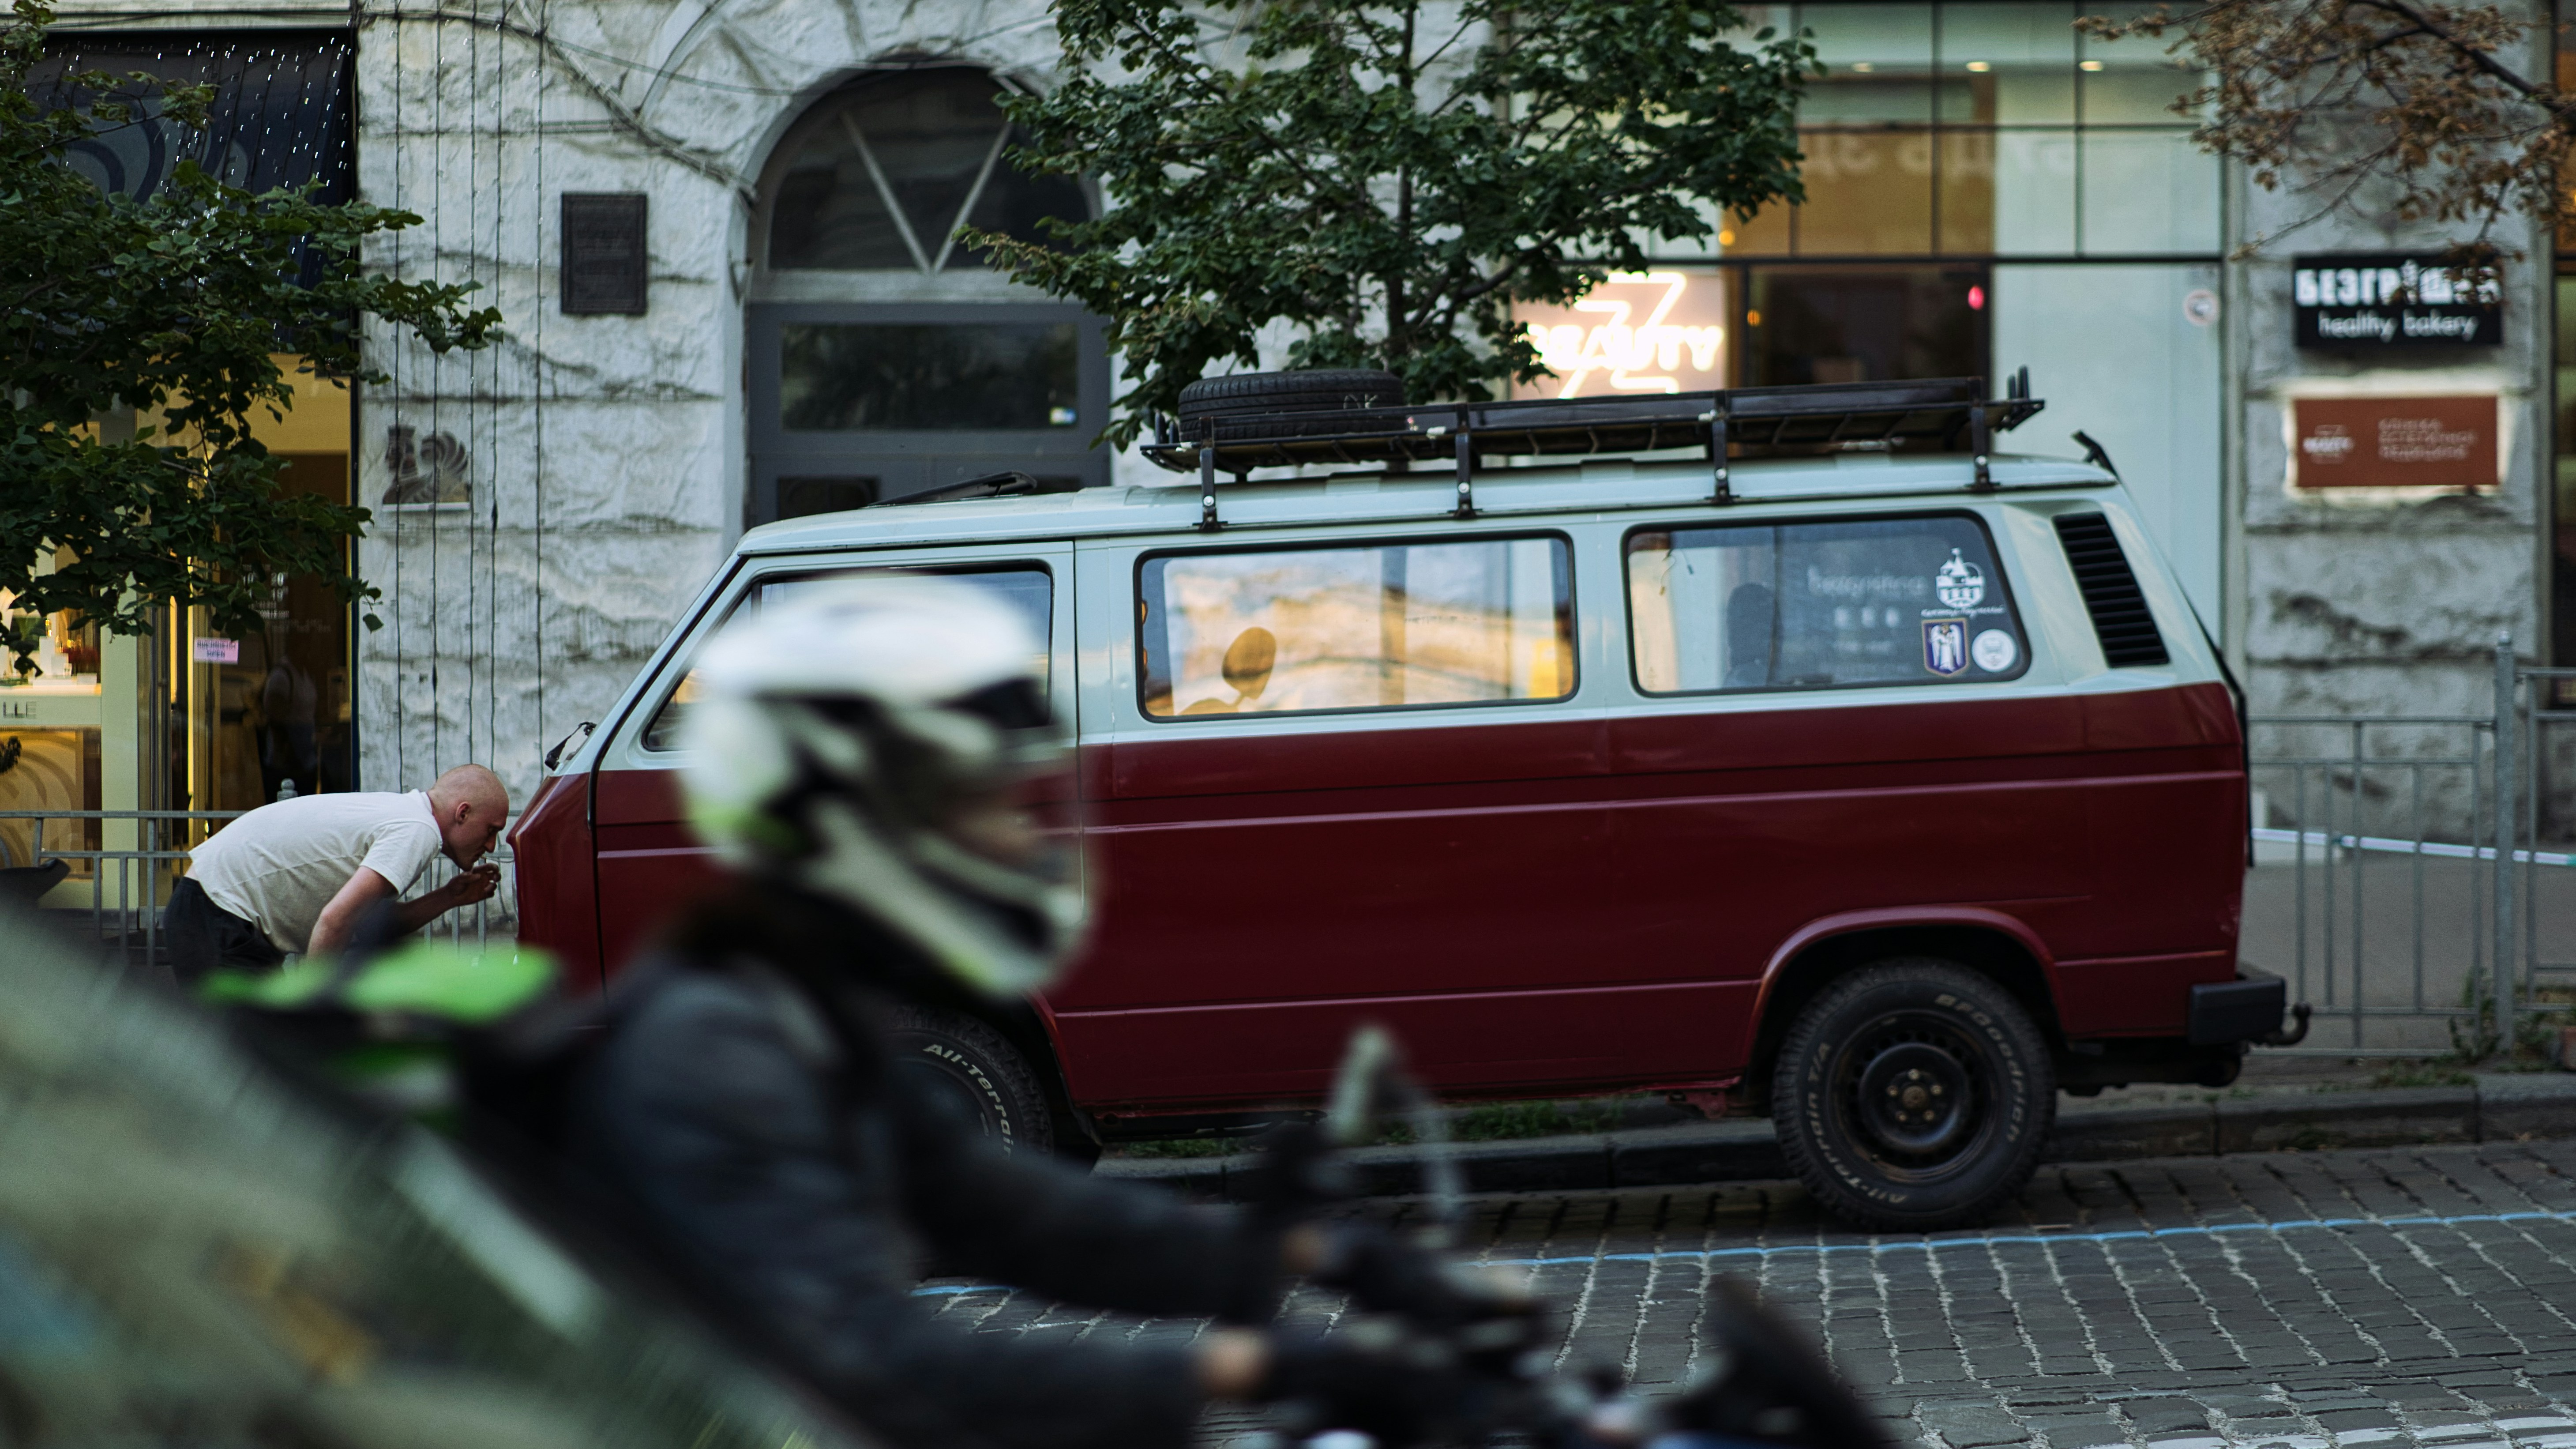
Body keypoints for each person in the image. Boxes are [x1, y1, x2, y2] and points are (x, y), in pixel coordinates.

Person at [540, 578, 1524, 1449]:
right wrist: (1247, 1371)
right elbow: (885, 1367)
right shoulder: (714, 1049)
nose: (1016, 839)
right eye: (978, 806)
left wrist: (1323, 1252)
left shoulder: (802, 1016)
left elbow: (1021, 1215)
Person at [167, 764, 507, 982]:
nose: (491, 845)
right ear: (462, 812)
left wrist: (449, 897)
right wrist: (320, 1011)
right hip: (217, 913)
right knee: (258, 1071)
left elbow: (364, 921)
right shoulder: (419, 830)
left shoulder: (406, 815)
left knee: (263, 1070)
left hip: (213, 909)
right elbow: (335, 921)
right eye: (491, 829)